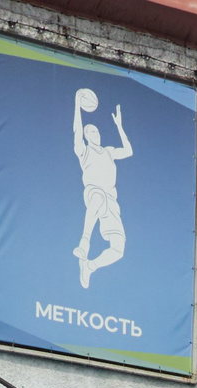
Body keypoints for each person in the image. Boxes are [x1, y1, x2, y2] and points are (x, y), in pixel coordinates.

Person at [71, 93, 133, 288]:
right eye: (90, 132)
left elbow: (128, 151)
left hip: (111, 199)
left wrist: (119, 126)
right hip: (94, 192)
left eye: (96, 132)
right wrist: (77, 105)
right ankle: (85, 242)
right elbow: (76, 131)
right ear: (86, 137)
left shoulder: (108, 151)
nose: (94, 134)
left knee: (118, 248)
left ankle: (90, 266)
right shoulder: (84, 152)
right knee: (97, 197)